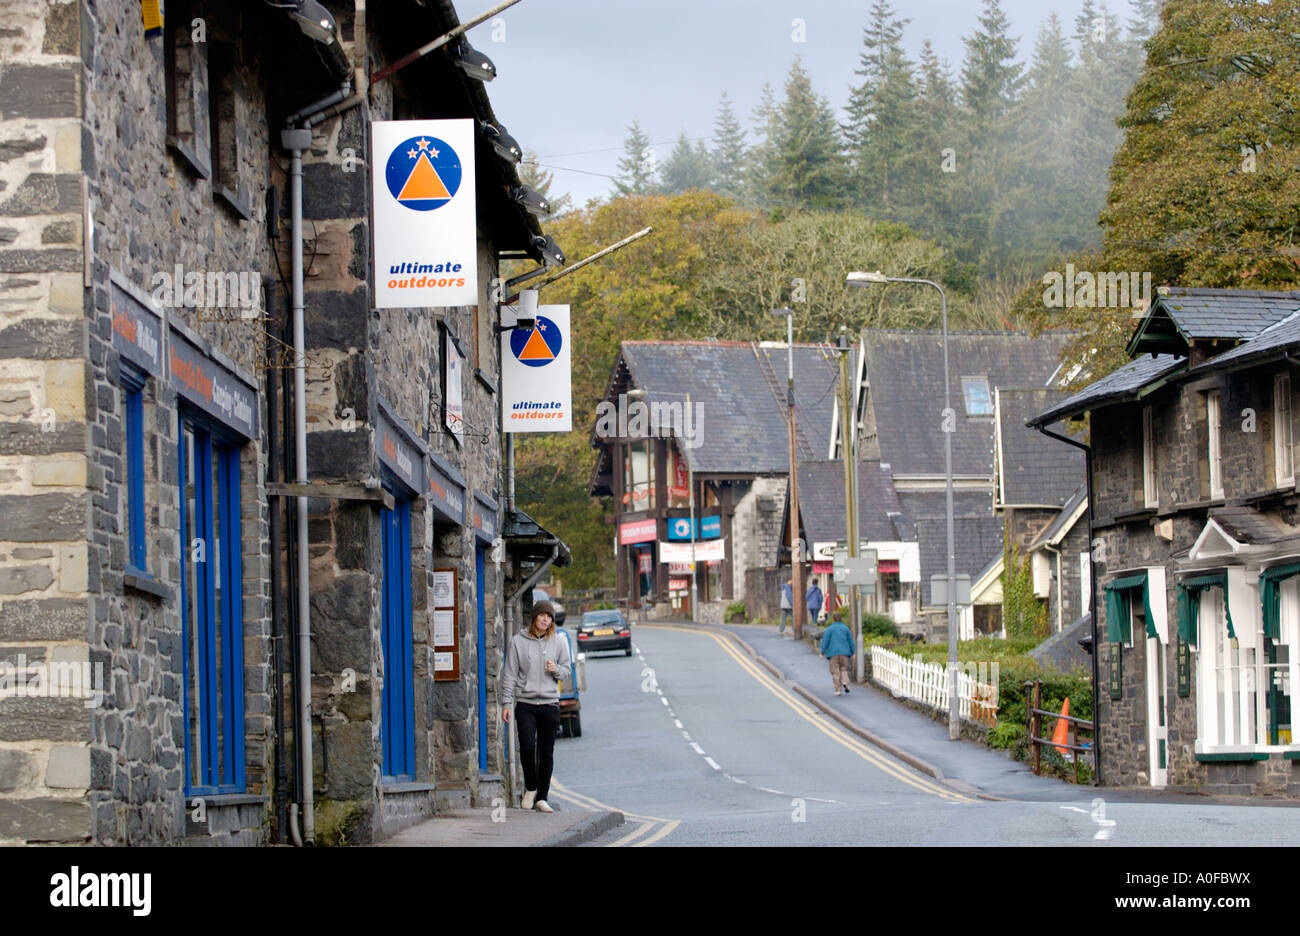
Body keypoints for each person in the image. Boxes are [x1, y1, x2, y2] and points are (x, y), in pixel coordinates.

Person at [500, 601, 571, 813]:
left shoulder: (559, 642)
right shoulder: (517, 642)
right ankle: (531, 787)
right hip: (526, 704)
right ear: (534, 618)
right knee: (528, 748)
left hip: (550, 704)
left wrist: (556, 670)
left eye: (549, 617)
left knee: (546, 753)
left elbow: (567, 670)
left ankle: (542, 797)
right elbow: (510, 674)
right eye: (542, 616)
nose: (545, 620)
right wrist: (506, 702)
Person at [819, 616, 856, 695]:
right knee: (844, 669)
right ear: (841, 619)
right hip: (845, 653)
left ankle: (838, 689)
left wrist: (822, 652)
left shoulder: (829, 629)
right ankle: (845, 682)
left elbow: (825, 641)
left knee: (835, 671)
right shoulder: (846, 628)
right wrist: (853, 652)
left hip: (833, 653)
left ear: (833, 620)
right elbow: (850, 641)